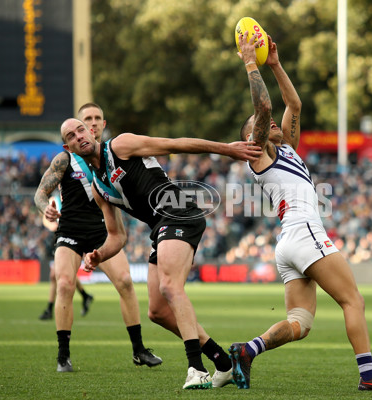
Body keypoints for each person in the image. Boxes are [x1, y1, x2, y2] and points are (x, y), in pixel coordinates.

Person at [228, 31, 372, 392]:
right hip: (305, 232)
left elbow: (292, 104)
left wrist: (275, 64)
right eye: (261, 126)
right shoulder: (258, 151)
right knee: (352, 300)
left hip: (290, 243)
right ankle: (368, 376)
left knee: (300, 323)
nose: (271, 123)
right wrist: (250, 62)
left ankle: (247, 351)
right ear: (254, 137)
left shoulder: (286, 150)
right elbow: (263, 109)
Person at [59, 116, 262, 389]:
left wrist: (228, 149)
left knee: (170, 286)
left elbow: (175, 144)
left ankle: (196, 368)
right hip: (162, 227)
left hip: (178, 212)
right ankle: (224, 363)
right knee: (157, 312)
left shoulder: (120, 145)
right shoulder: (98, 188)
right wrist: (98, 255)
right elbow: (118, 237)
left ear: (92, 132)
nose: (79, 136)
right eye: (71, 136)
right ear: (68, 148)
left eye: (81, 129)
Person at [34, 103, 162, 372]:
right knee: (65, 283)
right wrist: (44, 206)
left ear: (102, 125)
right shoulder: (66, 158)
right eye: (85, 121)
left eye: (95, 119)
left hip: (101, 231)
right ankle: (63, 356)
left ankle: (139, 350)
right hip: (69, 230)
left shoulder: (110, 154)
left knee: (126, 282)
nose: (90, 125)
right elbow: (40, 192)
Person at [38, 197, 94, 321]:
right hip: (61, 234)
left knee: (57, 274)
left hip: (69, 234)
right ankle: (85, 296)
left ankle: (50, 309)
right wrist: (53, 223)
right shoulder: (55, 197)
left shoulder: (70, 192)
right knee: (57, 274)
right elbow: (45, 219)